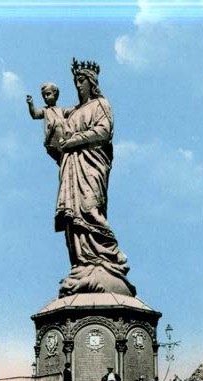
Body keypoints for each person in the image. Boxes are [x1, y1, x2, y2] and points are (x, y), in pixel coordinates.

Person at [54, 59, 135, 297]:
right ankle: (82, 264)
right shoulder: (72, 112)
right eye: (75, 82)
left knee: (90, 209)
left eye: (81, 81)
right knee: (73, 218)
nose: (78, 86)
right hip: (71, 168)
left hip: (91, 166)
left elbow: (103, 131)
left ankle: (109, 258)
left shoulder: (101, 104)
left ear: (91, 83)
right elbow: (58, 138)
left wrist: (73, 141)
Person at [26, 83, 70, 162]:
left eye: (48, 94)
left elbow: (70, 112)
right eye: (44, 96)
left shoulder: (61, 110)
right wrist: (31, 104)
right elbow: (35, 114)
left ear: (55, 94)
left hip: (62, 136)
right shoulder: (45, 110)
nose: (46, 97)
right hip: (52, 138)